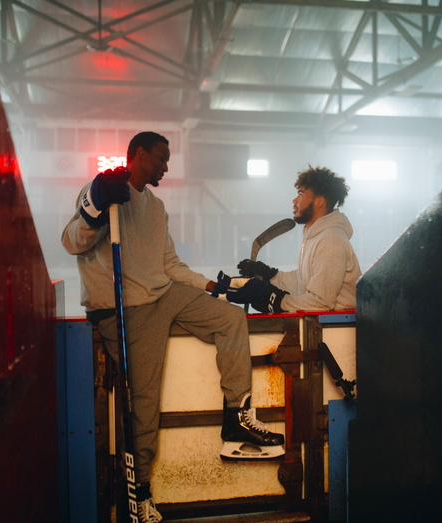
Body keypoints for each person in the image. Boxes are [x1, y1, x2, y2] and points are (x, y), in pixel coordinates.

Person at [61, 132, 284, 522]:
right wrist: (95, 204)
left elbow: (169, 265)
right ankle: (140, 496)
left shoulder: (156, 205)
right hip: (124, 308)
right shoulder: (104, 194)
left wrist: (217, 286)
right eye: (161, 159)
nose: (166, 166)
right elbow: (71, 242)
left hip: (162, 293)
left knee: (230, 317)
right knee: (144, 406)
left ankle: (236, 420)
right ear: (140, 154)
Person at [235, 165, 361, 313]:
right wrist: (270, 275)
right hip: (323, 328)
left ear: (319, 202)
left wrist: (278, 302)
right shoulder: (316, 236)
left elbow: (320, 302)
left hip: (335, 331)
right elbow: (302, 282)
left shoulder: (331, 241)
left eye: (301, 195)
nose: (294, 201)